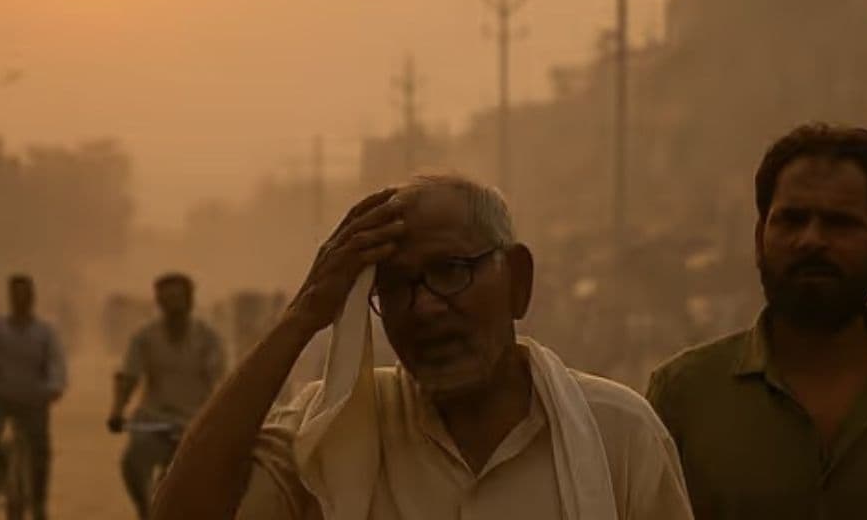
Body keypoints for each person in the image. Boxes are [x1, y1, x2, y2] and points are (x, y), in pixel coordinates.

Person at [151, 174, 693, 519]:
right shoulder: (332, 433)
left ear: (518, 281)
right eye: (397, 286)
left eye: (449, 271)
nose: (426, 307)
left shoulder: (618, 434)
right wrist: (303, 317)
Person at [646, 123, 867, 518]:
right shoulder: (682, 394)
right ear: (760, 240)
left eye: (840, 223)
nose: (811, 239)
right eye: (792, 220)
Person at [108, 273, 225, 518]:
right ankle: (145, 511)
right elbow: (129, 376)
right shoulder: (144, 337)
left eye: (178, 299)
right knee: (131, 463)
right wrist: (117, 410)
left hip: (194, 423)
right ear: (158, 303)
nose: (172, 306)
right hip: (153, 419)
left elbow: (222, 381)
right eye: (166, 300)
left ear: (189, 301)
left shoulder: (208, 338)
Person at [0, 273, 67, 520]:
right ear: (9, 298)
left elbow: (57, 363)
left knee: (40, 452)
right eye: (16, 295)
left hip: (34, 398)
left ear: (33, 297)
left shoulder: (45, 331)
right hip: (0, 396)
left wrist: (54, 387)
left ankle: (39, 503)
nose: (21, 300)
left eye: (25, 295)